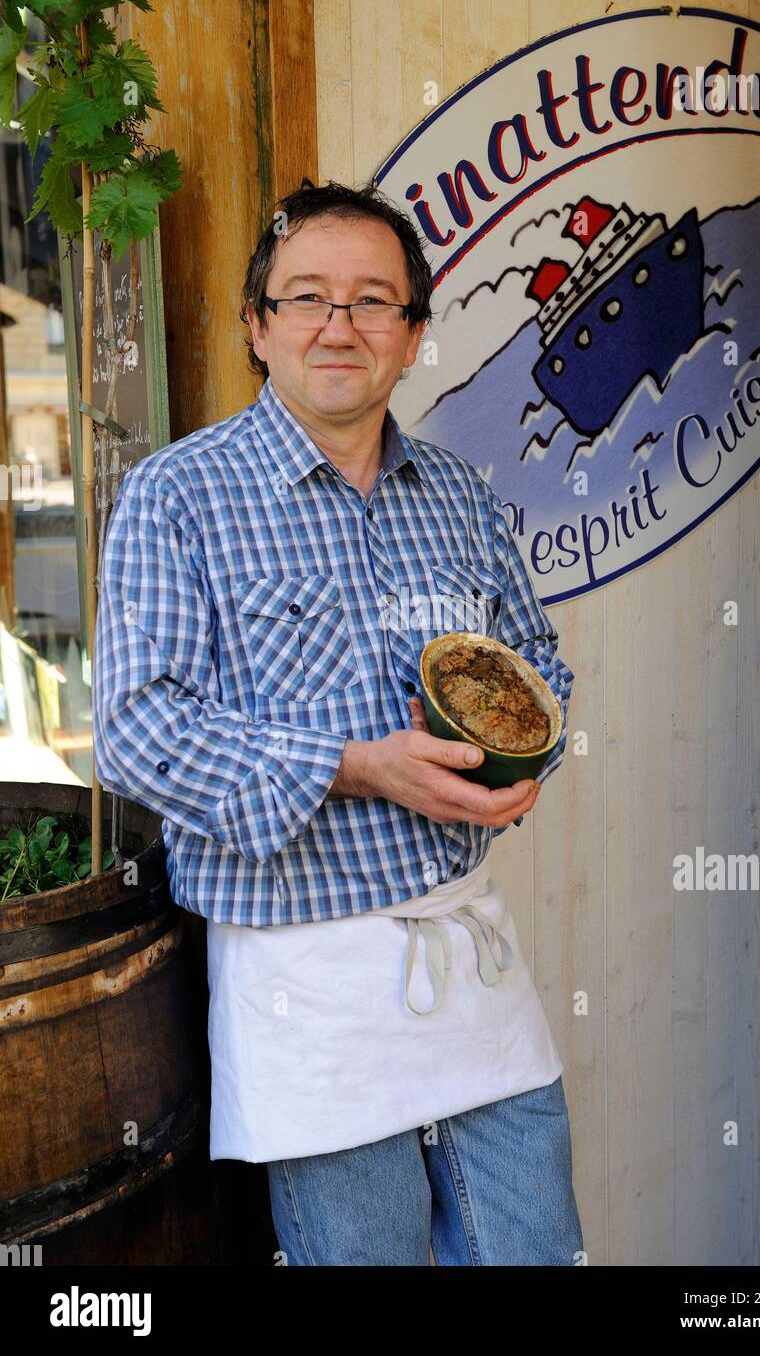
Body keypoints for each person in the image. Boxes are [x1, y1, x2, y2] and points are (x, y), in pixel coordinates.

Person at [93, 178, 584, 1266]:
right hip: (303, 977)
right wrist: (354, 766)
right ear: (257, 327)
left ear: (412, 338)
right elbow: (135, 727)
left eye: (374, 301)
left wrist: (529, 752)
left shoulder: (458, 493)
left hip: (472, 957)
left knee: (539, 1256)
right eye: (306, 296)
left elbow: (537, 663)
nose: (339, 325)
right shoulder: (180, 495)